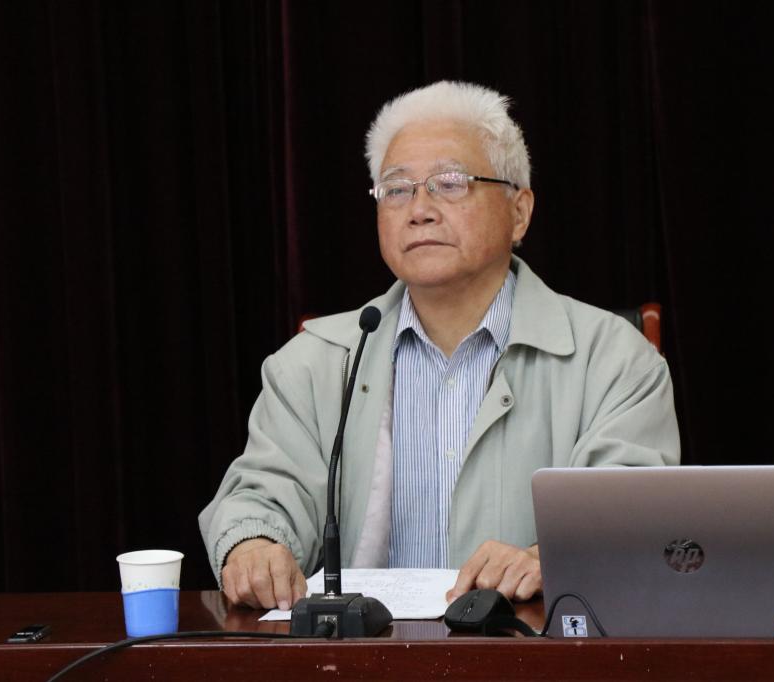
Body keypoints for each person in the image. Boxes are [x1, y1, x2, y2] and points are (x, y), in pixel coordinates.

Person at [199, 81, 680, 612]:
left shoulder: (613, 359)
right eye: (396, 189)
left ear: (519, 211)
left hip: (529, 647)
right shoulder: (313, 363)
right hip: (360, 651)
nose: (419, 209)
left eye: (450, 183)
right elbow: (262, 493)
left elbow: (637, 517)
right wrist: (254, 544)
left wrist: (553, 558)